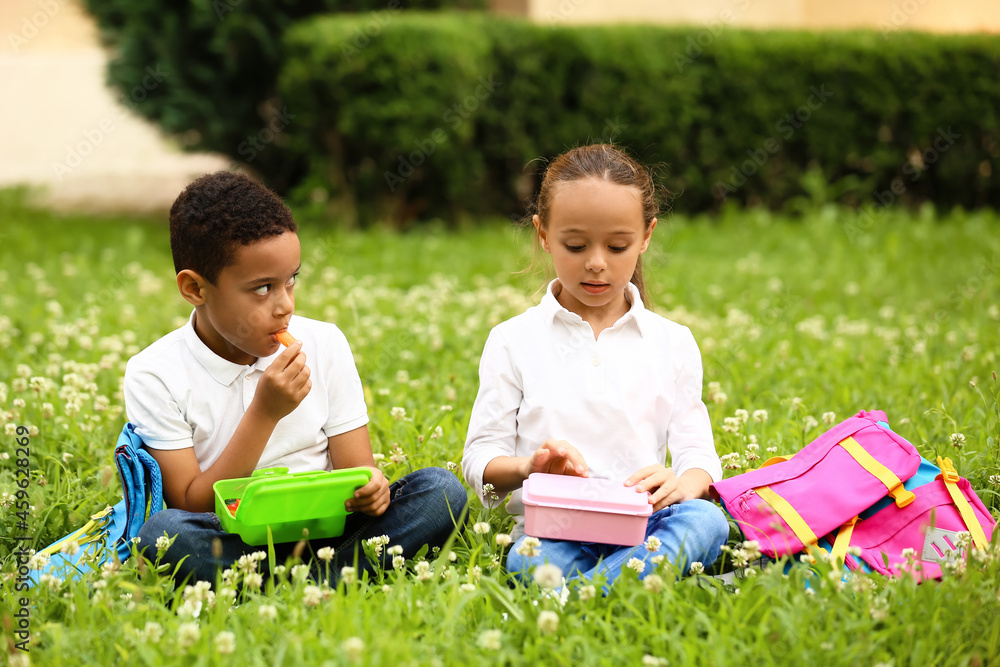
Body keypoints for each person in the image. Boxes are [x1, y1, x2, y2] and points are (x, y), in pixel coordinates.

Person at [127, 171, 466, 584]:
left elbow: (357, 471)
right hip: (234, 535)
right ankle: (331, 578)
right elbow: (193, 505)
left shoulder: (324, 343)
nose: (284, 305)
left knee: (441, 492)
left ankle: (284, 581)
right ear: (195, 288)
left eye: (291, 280)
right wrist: (265, 413)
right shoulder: (155, 373)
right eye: (262, 288)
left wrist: (372, 488)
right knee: (165, 535)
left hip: (329, 528)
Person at [462, 144, 729, 589]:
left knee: (706, 521)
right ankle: (622, 587)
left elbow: (698, 456)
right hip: (552, 530)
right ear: (543, 234)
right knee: (529, 563)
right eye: (575, 244)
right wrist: (531, 466)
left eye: (618, 245)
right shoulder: (513, 339)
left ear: (646, 236)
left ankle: (584, 594)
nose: (597, 262)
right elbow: (480, 463)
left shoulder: (673, 342)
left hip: (644, 526)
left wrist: (684, 484)